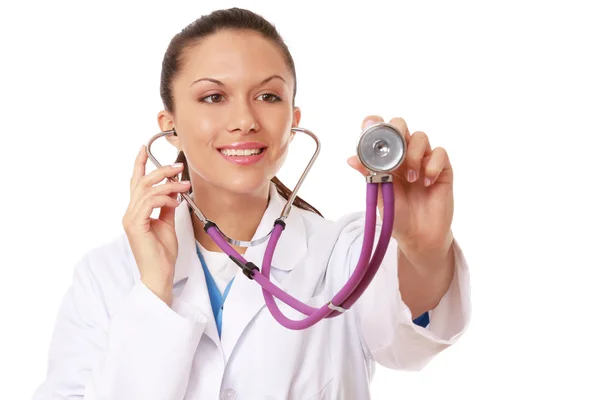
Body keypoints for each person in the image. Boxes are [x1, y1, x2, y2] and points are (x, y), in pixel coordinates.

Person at [32, 7, 471, 400]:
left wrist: (425, 248)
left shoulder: (343, 253)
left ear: (294, 120)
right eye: (213, 97)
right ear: (171, 126)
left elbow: (404, 338)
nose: (244, 120)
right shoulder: (106, 276)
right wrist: (152, 290)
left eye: (268, 96)